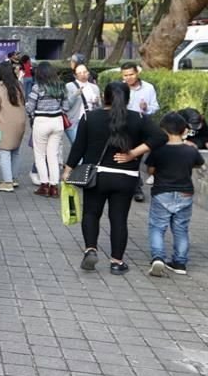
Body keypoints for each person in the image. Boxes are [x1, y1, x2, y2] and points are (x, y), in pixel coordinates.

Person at [64, 81, 166, 275]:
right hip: (125, 177)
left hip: (97, 175)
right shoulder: (139, 118)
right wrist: (133, 153)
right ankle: (117, 262)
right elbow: (160, 137)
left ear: (105, 96)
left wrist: (68, 169)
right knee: (119, 218)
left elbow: (78, 147)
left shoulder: (90, 117)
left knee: (91, 213)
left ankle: (90, 250)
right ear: (128, 98)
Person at [146, 112, 203, 277]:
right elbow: (198, 164)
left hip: (162, 192)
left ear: (163, 130)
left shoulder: (159, 150)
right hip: (185, 193)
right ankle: (180, 262)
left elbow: (150, 169)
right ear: (184, 130)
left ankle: (158, 257)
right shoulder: (190, 150)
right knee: (181, 228)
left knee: (158, 226)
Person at [26, 61, 70, 198]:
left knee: (40, 155)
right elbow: (66, 107)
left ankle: (44, 185)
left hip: (42, 122)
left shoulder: (37, 87)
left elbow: (30, 107)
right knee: (53, 155)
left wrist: (31, 113)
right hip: (57, 122)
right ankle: (54, 187)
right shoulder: (61, 86)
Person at [121, 62, 159, 202]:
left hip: (142, 128)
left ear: (137, 73)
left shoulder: (148, 88)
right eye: (125, 75)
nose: (128, 78)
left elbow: (155, 107)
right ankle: (132, 186)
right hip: (124, 127)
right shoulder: (120, 87)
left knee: (136, 158)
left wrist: (146, 107)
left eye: (131, 74)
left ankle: (136, 187)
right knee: (126, 157)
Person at [0, 61, 27, 192]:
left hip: (5, 123)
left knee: (5, 152)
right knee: (16, 151)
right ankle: (14, 178)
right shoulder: (19, 85)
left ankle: (7, 182)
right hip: (21, 123)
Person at [65, 63, 101, 143]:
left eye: (84, 72)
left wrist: (96, 102)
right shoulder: (69, 86)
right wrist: (75, 95)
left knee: (88, 146)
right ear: (75, 75)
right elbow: (66, 105)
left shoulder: (94, 87)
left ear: (88, 73)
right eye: (79, 73)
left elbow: (99, 107)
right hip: (74, 121)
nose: (83, 75)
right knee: (77, 146)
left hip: (90, 120)